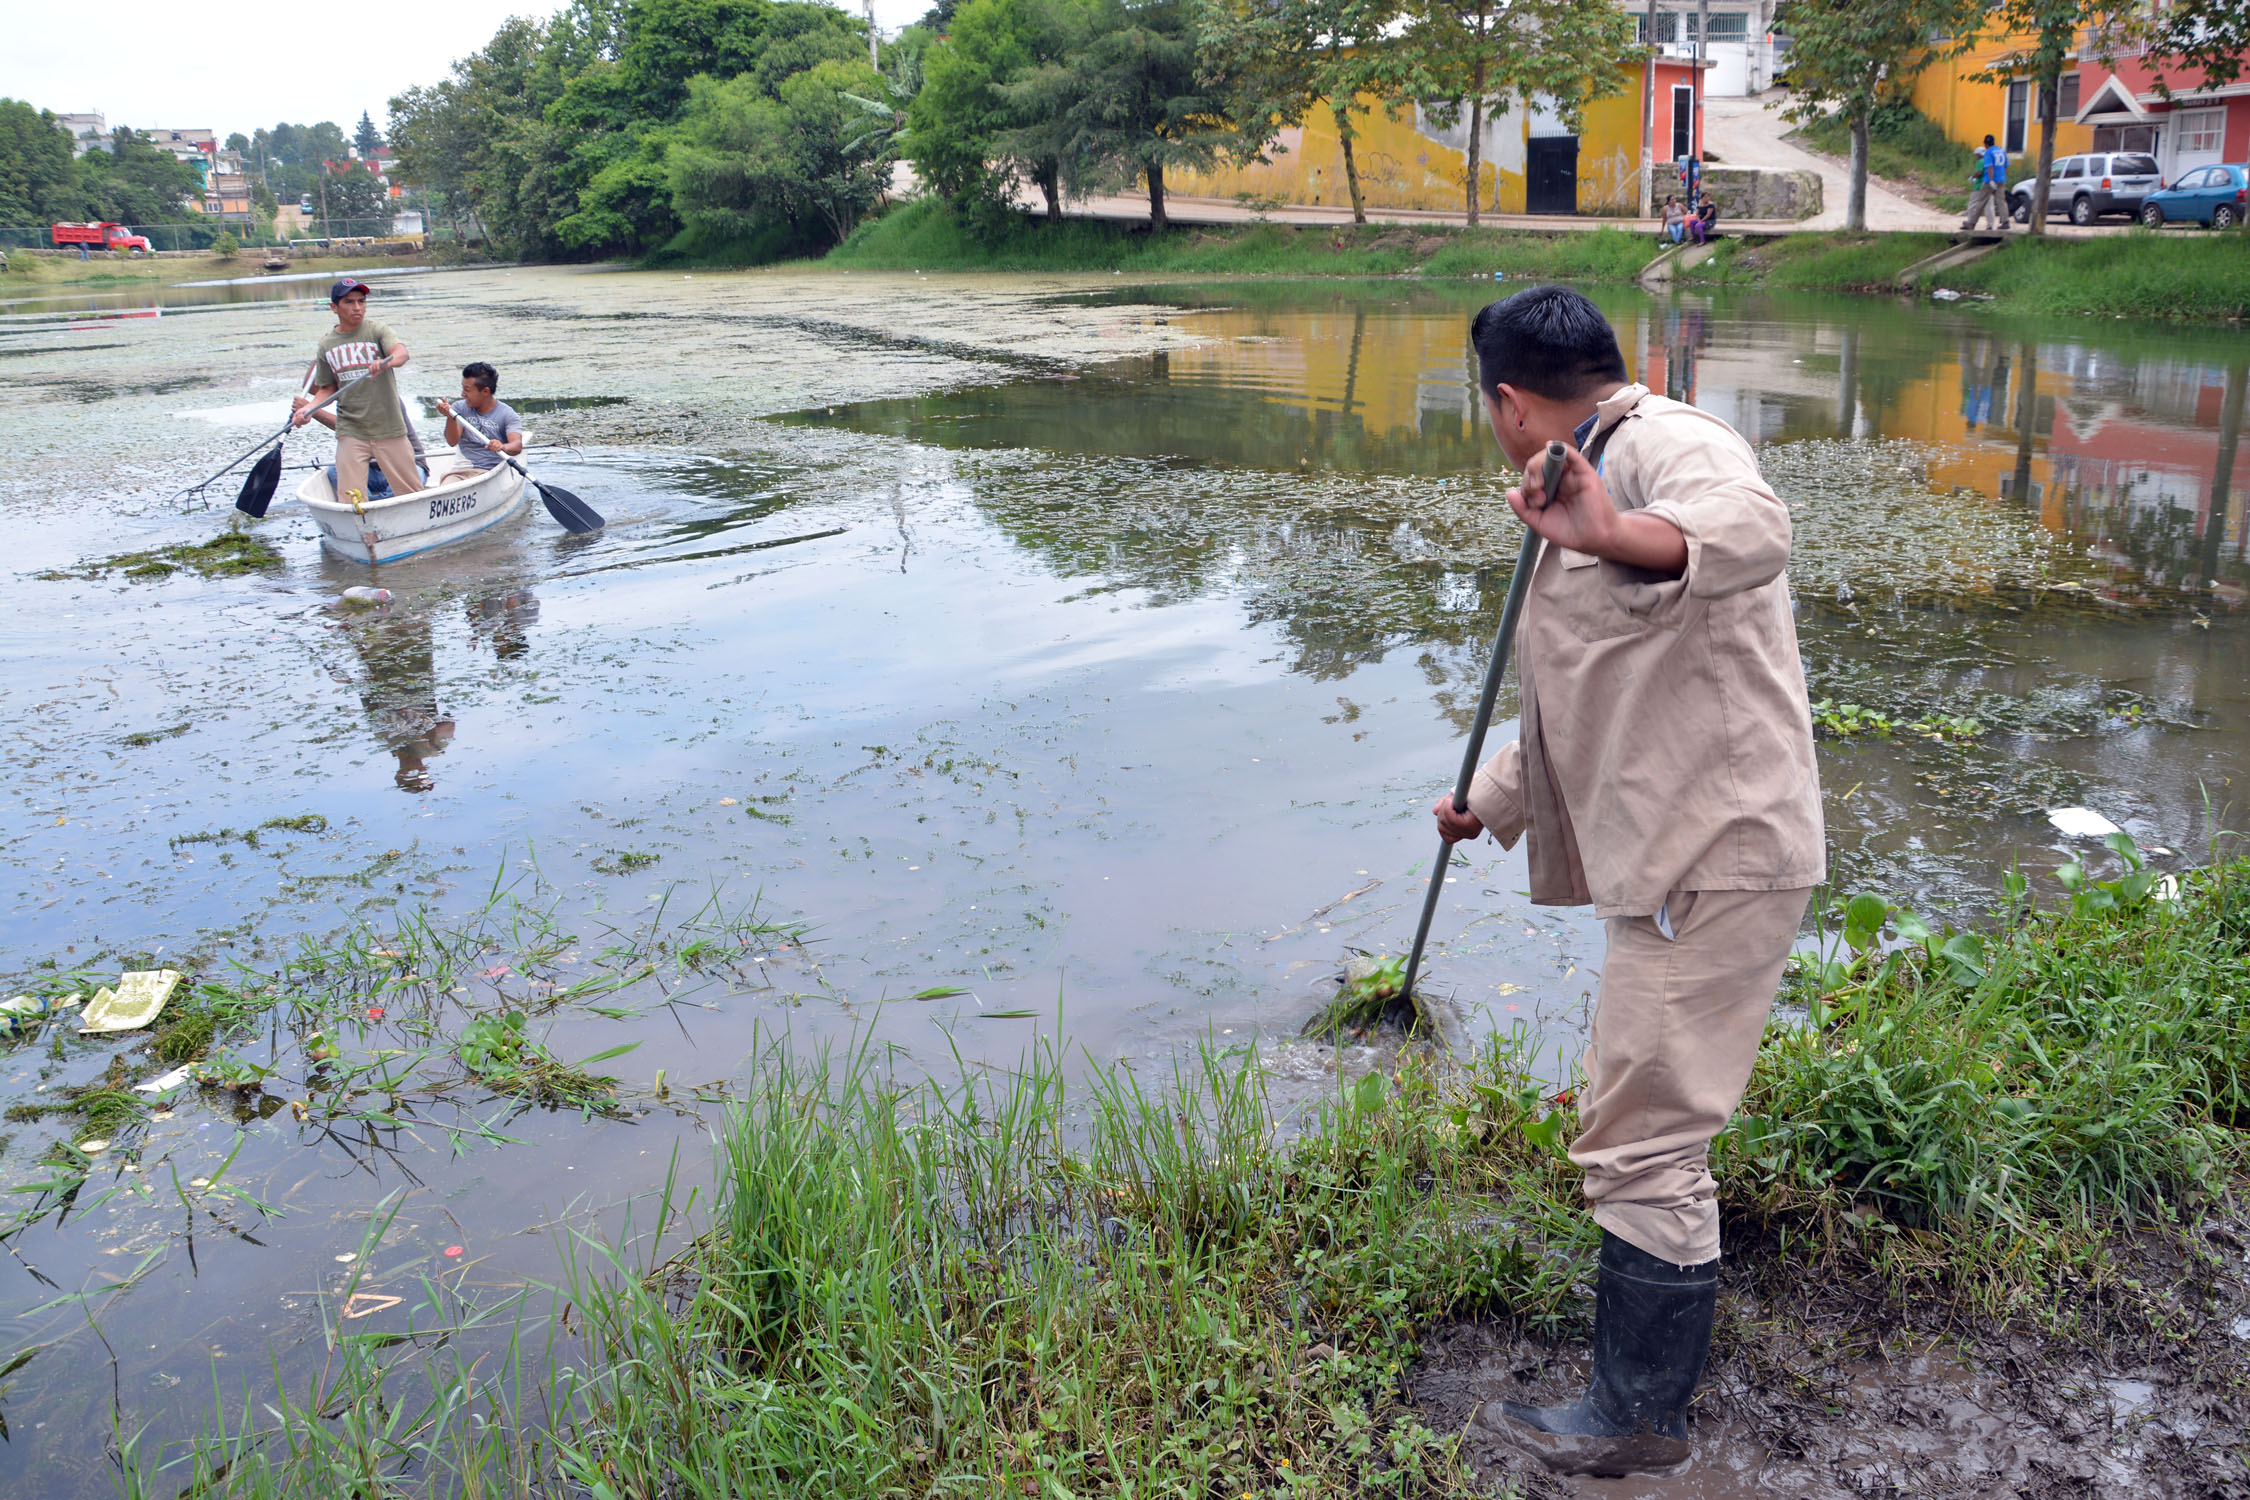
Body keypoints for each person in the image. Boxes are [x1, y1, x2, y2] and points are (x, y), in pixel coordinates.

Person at [1438, 286, 1824, 1476]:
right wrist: (1490, 806)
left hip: (1710, 857)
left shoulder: (1669, 445)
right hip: (1683, 850)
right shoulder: (1581, 465)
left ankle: (1636, 1424)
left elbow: (1754, 530)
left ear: (1505, 399)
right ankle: (1640, 1389)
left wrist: (1610, 533)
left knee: (1644, 1140)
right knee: (1650, 1119)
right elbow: (1589, 685)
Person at [294, 277, 421, 502]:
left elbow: (402, 354)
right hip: (351, 431)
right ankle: (366, 535)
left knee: (411, 495)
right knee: (350, 499)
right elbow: (327, 389)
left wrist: (386, 362)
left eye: (361, 301)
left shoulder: (377, 330)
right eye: (349, 302)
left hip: (388, 428)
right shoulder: (327, 345)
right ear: (334, 307)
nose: (357, 307)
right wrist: (309, 410)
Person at [316, 392, 429, 499]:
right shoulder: (350, 401)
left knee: (407, 490)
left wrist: (314, 411)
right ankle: (367, 504)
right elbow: (315, 387)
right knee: (335, 470)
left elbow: (355, 429)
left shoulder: (386, 397)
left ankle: (372, 505)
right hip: (375, 470)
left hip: (408, 465)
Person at [433, 361, 524, 481]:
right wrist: (451, 418)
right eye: (462, 388)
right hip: (461, 472)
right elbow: (452, 441)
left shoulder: (507, 414)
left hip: (490, 472)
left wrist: (503, 446)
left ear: (485, 391)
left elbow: (517, 446)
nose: (462, 394)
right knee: (447, 485)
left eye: (467, 390)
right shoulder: (459, 408)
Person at [1961, 133, 2010, 233]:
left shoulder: (1988, 153)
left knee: (1980, 201)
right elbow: (2006, 166)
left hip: (1989, 181)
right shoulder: (2001, 151)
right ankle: (2005, 222)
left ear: (1986, 144)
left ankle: (1971, 223)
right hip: (2001, 180)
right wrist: (2001, 176)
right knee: (2001, 201)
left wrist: (1991, 180)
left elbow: (1990, 167)